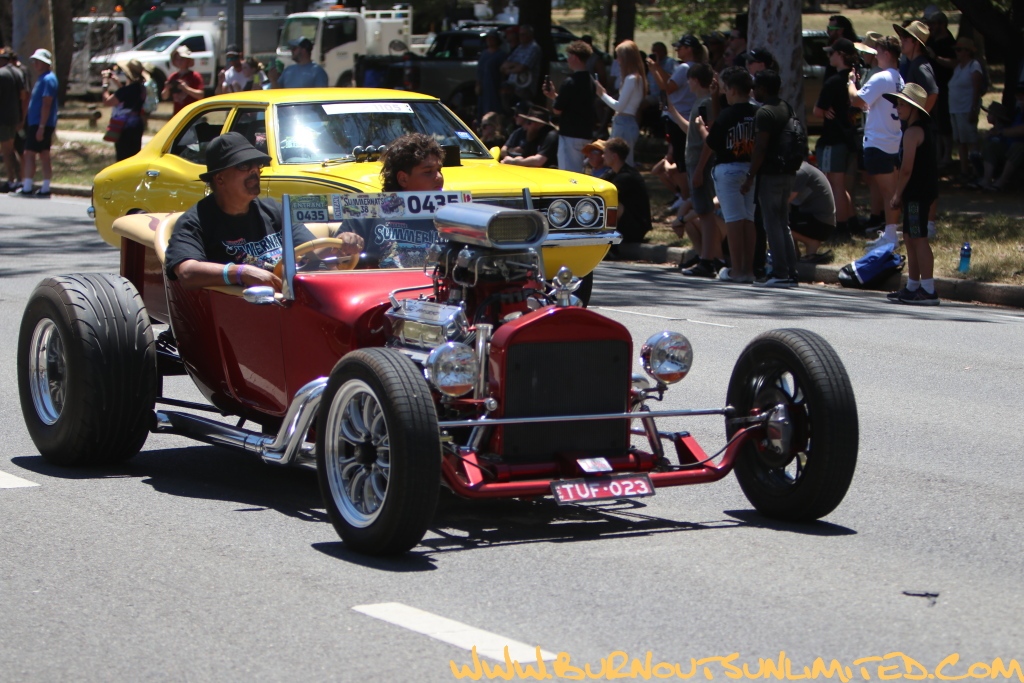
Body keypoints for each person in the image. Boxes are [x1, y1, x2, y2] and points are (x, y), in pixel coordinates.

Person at [165, 133, 362, 291]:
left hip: (288, 302)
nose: (255, 171)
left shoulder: (273, 210)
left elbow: (311, 250)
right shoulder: (196, 221)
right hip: (242, 312)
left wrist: (340, 244)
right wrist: (241, 273)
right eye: (244, 165)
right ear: (220, 178)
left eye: (257, 164)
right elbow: (187, 272)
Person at [695, 67, 758, 283]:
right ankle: (748, 269)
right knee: (748, 219)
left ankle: (737, 270)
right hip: (750, 169)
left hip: (728, 169)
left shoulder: (727, 114)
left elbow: (712, 141)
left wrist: (701, 129)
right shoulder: (757, 112)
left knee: (733, 220)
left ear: (732, 90)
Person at [741, 70, 799, 288]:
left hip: (771, 173)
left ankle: (780, 272)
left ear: (763, 88)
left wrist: (750, 176)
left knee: (771, 223)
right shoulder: (786, 107)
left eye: (755, 87)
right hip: (788, 171)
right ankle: (790, 271)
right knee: (782, 222)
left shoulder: (764, 113)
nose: (753, 90)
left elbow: (760, 147)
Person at [884, 83, 939, 305]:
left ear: (913, 107)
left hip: (917, 192)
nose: (897, 108)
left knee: (918, 238)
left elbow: (906, 168)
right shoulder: (918, 130)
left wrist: (897, 194)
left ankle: (928, 289)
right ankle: (912, 285)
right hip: (918, 192)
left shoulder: (913, 132)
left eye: (901, 104)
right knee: (909, 237)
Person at [665, 62, 722, 278]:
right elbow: (692, 131)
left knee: (705, 214)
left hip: (702, 164)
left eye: (689, 79)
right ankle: (707, 257)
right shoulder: (700, 102)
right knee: (703, 211)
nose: (687, 83)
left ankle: (708, 260)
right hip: (696, 163)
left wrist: (699, 169)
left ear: (695, 80)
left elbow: (710, 140)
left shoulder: (707, 103)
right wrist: (672, 111)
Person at [849, 35, 904, 250]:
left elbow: (857, 100)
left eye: (878, 52)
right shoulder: (899, 78)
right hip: (893, 140)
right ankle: (890, 232)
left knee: (889, 193)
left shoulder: (881, 77)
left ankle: (891, 236)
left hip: (880, 142)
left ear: (887, 54)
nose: (875, 55)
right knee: (890, 192)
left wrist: (851, 83)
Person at [813, 38, 859, 241]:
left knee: (835, 186)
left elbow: (817, 110)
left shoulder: (833, 82)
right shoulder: (854, 80)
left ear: (840, 55)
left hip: (833, 139)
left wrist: (823, 111)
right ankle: (852, 220)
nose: (829, 57)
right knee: (841, 186)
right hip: (849, 138)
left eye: (831, 53)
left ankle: (840, 227)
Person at [543, 40, 596, 173]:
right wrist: (554, 96)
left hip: (570, 135)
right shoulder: (591, 81)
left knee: (569, 173)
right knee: (581, 172)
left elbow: (557, 109)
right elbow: (573, 103)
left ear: (575, 57)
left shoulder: (570, 82)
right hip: (586, 133)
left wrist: (554, 100)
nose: (567, 60)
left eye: (569, 56)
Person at [595, 40, 646, 166]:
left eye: (619, 57)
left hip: (623, 124)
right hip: (628, 123)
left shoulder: (631, 79)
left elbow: (619, 106)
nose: (617, 61)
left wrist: (602, 94)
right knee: (622, 163)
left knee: (621, 164)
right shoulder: (638, 78)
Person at [15, 49, 58, 199]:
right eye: (35, 61)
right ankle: (45, 187)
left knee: (29, 153)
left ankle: (27, 186)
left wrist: (41, 126)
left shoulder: (48, 79)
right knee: (43, 154)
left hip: (40, 123)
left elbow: (47, 103)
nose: (35, 64)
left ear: (46, 63)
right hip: (38, 122)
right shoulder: (42, 78)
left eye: (39, 61)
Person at [947, 37, 984, 181]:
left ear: (968, 51)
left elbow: (977, 90)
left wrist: (973, 109)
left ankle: (977, 171)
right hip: (955, 109)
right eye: (956, 50)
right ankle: (964, 171)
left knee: (971, 141)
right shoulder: (958, 67)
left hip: (966, 109)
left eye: (959, 50)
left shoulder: (974, 66)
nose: (957, 52)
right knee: (960, 141)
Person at [925, 11, 958, 168]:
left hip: (945, 86)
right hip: (932, 86)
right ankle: (938, 155)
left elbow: (954, 63)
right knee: (935, 122)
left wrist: (935, 57)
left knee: (944, 122)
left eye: (934, 24)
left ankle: (947, 155)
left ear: (943, 24)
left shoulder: (949, 42)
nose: (931, 27)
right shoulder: (931, 40)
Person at [603, 137, 651, 244]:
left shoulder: (627, 176)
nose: (603, 156)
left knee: (611, 203)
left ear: (614, 156)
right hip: (626, 222)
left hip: (636, 228)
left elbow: (605, 195)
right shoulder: (613, 173)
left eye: (605, 153)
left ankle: (607, 238)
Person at [975, 88, 1024, 192]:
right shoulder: (1018, 113)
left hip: (1019, 149)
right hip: (1008, 148)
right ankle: (986, 180)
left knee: (1018, 146)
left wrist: (1000, 132)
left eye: (1021, 96)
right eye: (1018, 96)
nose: (1019, 99)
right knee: (991, 145)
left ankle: (1001, 182)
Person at [101, 60, 147, 161]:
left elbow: (107, 101)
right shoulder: (141, 88)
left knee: (123, 156)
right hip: (137, 124)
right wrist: (116, 81)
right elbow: (127, 95)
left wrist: (105, 83)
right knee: (133, 155)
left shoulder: (126, 91)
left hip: (124, 127)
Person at [789, 161, 836, 261]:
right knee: (783, 217)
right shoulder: (803, 168)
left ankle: (810, 242)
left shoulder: (800, 172)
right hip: (822, 221)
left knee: (775, 221)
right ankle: (795, 253)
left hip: (820, 223)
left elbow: (784, 201)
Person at [0, 46, 28, 193]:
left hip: (3, 118)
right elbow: (24, 96)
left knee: (7, 151)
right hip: (15, 117)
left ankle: (11, 180)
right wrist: (22, 117)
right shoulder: (18, 72)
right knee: (13, 149)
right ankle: (20, 179)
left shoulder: (1, 74)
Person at [379, 133, 445, 192]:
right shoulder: (384, 202)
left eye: (439, 170)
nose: (439, 177)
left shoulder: (449, 201)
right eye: (428, 172)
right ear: (403, 179)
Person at [500, 25, 542, 104]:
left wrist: (509, 70)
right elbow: (504, 64)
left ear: (530, 35)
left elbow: (523, 67)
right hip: (512, 85)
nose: (520, 37)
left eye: (523, 34)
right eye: (519, 34)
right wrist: (515, 64)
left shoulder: (534, 48)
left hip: (524, 86)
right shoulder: (520, 47)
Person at [162, 47, 204, 114]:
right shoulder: (173, 76)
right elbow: (164, 97)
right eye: (177, 59)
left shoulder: (195, 76)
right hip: (178, 113)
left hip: (192, 113)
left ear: (188, 60)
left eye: (182, 59)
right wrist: (167, 88)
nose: (179, 61)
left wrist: (186, 88)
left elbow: (201, 95)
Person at [476, 31, 506, 123]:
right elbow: (479, 70)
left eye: (492, 38)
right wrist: (478, 84)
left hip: (494, 87)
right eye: (488, 38)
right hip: (484, 88)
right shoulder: (484, 54)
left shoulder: (501, 55)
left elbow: (504, 72)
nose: (489, 40)